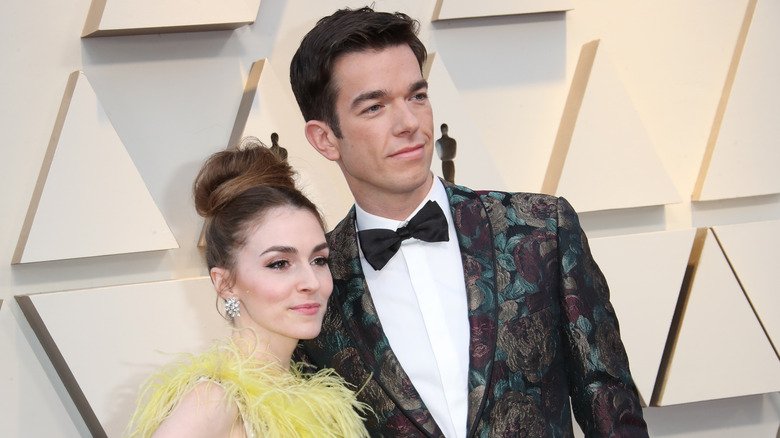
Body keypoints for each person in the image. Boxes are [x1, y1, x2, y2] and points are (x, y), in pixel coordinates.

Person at [290, 7, 648, 437]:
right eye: (375, 107)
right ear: (324, 138)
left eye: (417, 96)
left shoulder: (541, 229)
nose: (409, 123)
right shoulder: (315, 287)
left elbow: (611, 407)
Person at [126, 139, 370, 437]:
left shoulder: (312, 399)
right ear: (225, 283)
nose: (311, 282)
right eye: (279, 263)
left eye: (319, 260)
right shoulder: (215, 401)